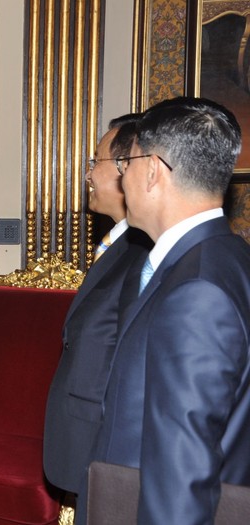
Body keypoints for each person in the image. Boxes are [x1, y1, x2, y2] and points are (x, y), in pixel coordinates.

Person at [89, 97, 250, 524]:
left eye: (129, 164)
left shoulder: (197, 292)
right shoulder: (225, 255)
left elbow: (183, 469)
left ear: (154, 170)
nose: (123, 176)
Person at [43, 114, 152, 509]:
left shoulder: (146, 255)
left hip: (110, 444)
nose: (87, 174)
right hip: (86, 435)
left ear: (127, 170)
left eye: (95, 162)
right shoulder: (117, 244)